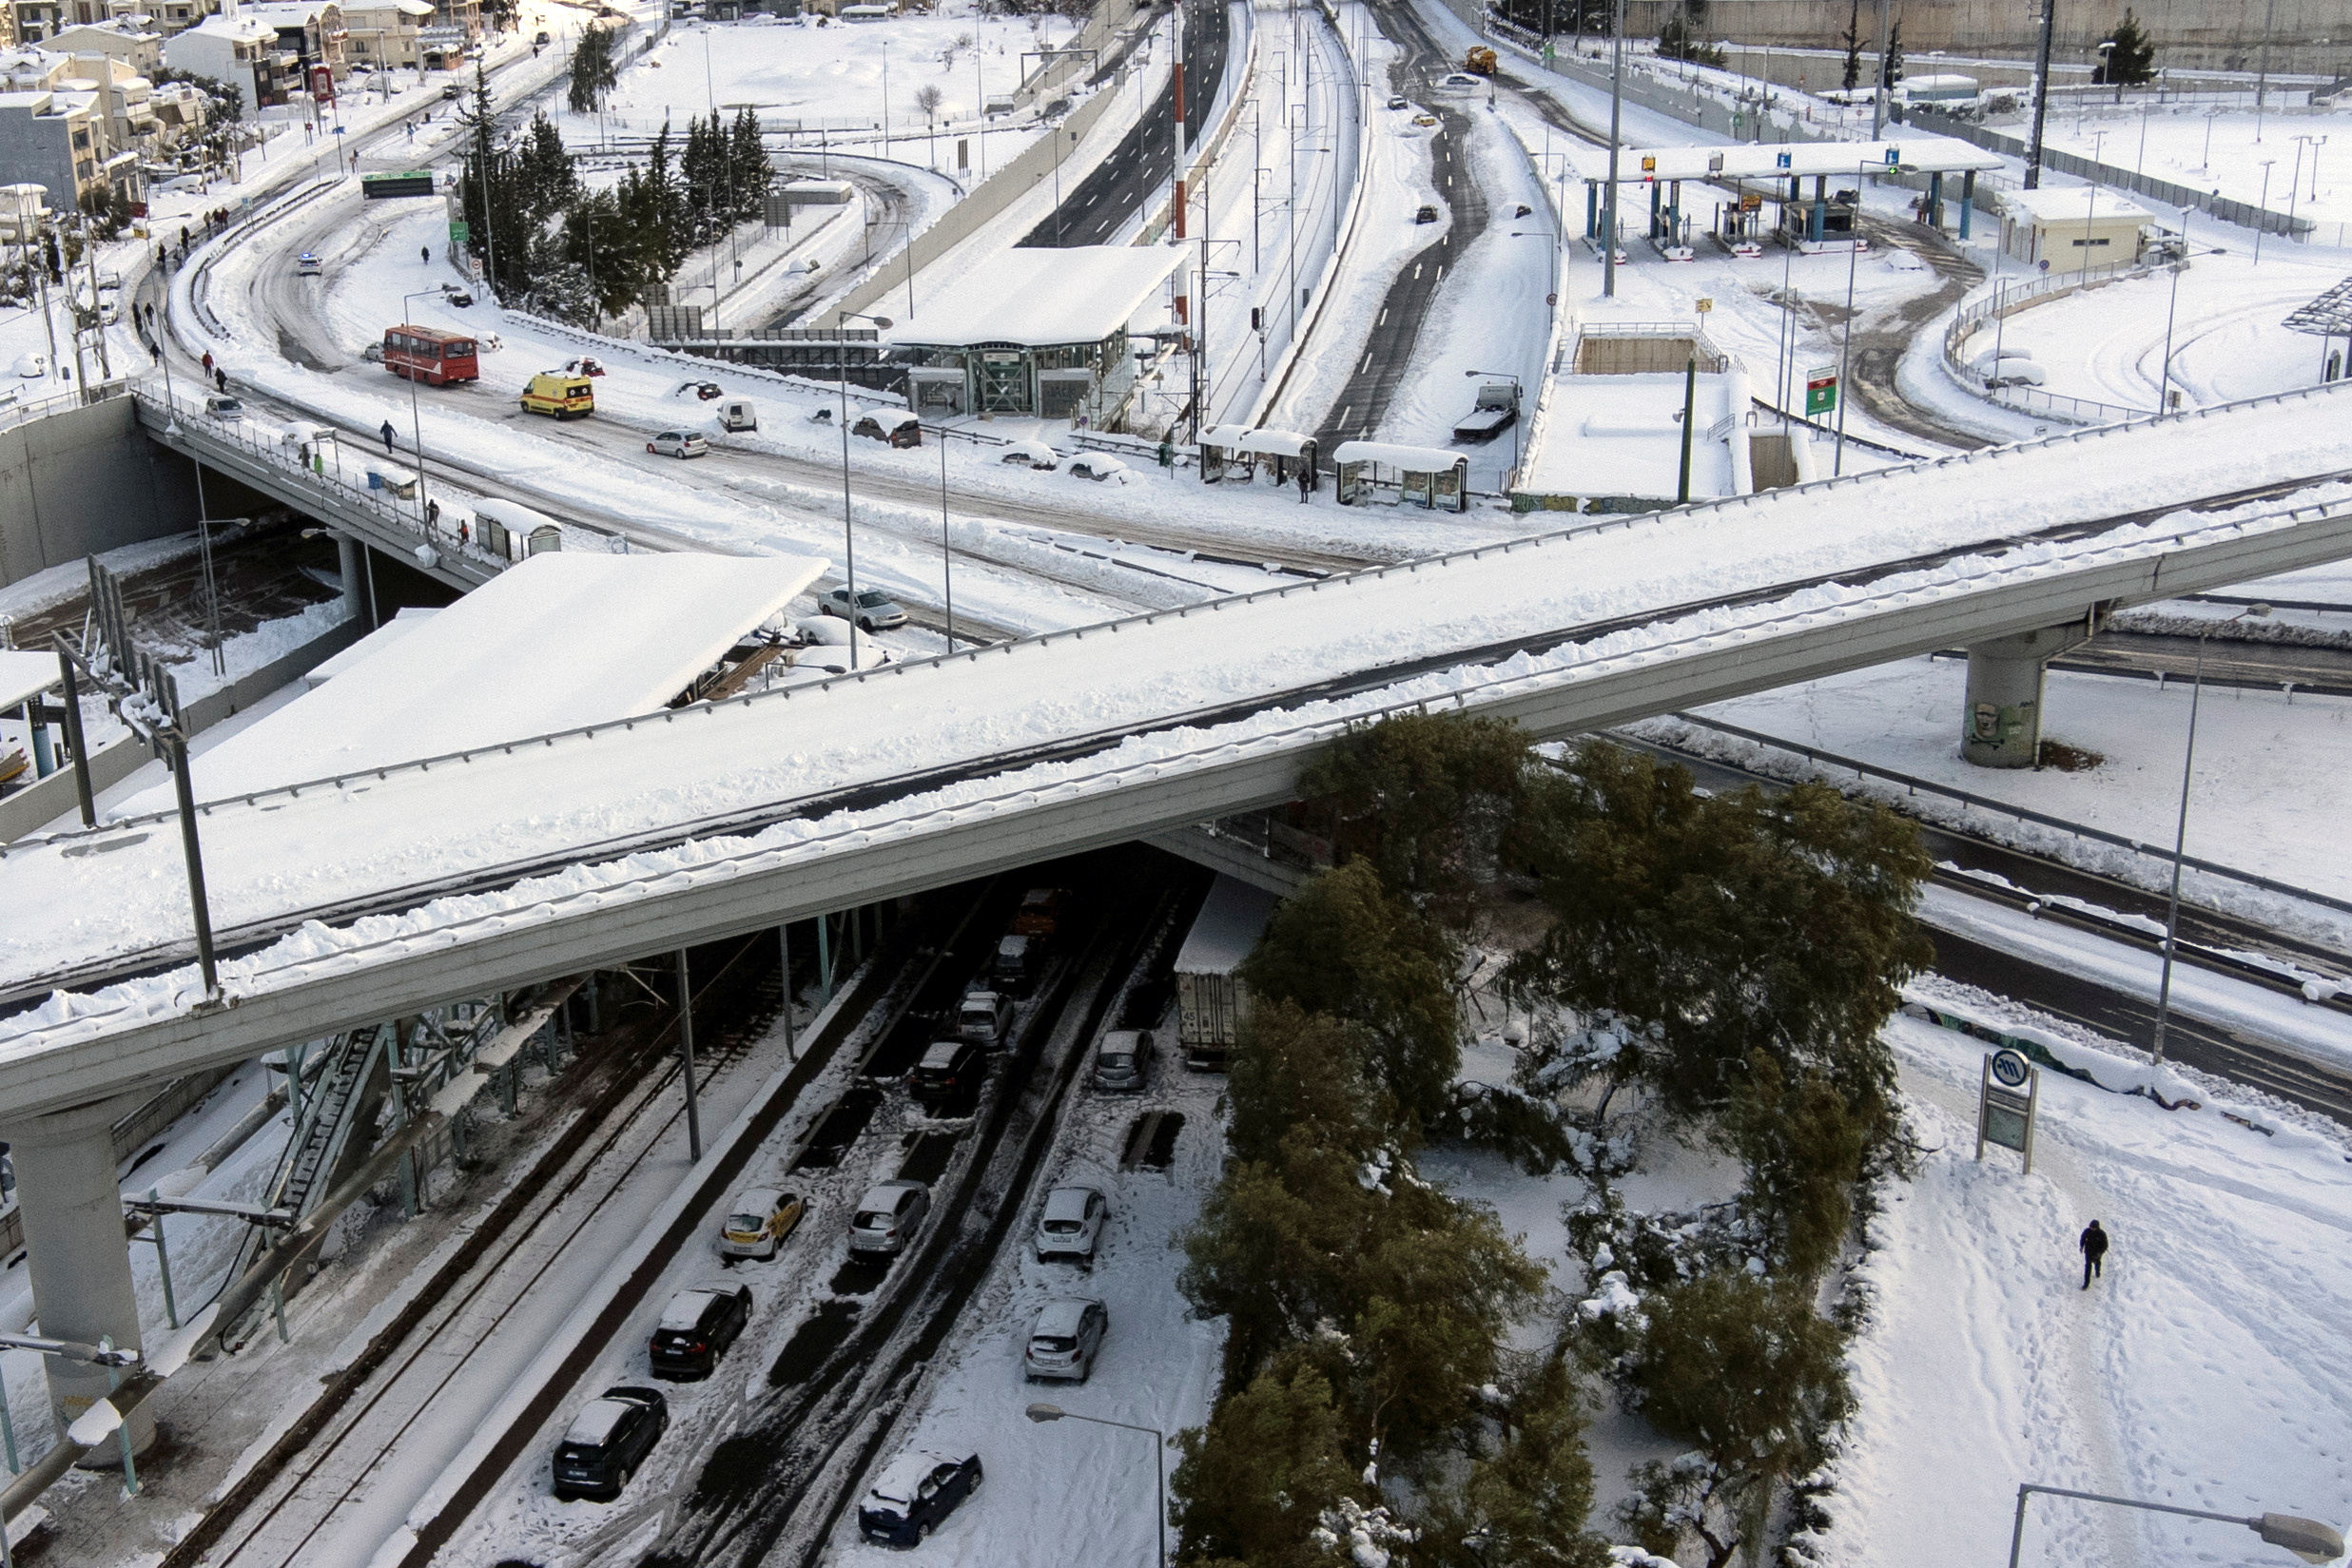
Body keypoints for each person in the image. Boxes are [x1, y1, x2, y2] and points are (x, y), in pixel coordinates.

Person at [2079, 1219, 2109, 1289]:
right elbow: (2082, 1238)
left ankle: (2097, 1271)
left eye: (2093, 1228)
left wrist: (2100, 1253)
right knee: (2088, 1266)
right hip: (2088, 1251)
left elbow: (2105, 1245)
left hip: (2097, 1252)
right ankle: (2086, 1283)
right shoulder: (2087, 1231)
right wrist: (2081, 1246)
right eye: (2091, 1227)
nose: (2092, 1229)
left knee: (2097, 1262)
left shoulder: (2102, 1234)